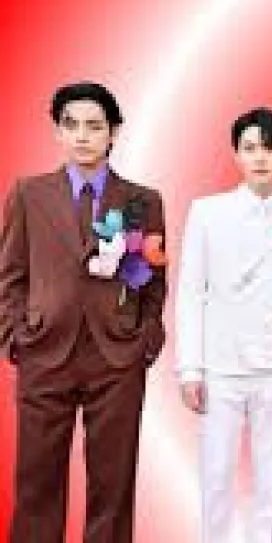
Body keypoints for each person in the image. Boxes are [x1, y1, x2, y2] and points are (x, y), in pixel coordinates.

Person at [0, 81, 167, 542]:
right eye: (71, 125)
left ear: (114, 132)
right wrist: (15, 336)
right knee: (36, 483)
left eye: (94, 126)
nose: (82, 135)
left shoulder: (142, 201)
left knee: (113, 486)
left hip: (117, 357)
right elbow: (10, 274)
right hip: (44, 351)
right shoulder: (29, 194)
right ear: (58, 131)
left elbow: (154, 279)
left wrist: (146, 338)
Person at [175, 107, 272, 543]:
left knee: (269, 475)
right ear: (236, 154)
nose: (260, 158)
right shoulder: (206, 212)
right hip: (221, 366)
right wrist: (190, 368)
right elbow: (190, 292)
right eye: (250, 148)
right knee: (216, 473)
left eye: (271, 149)